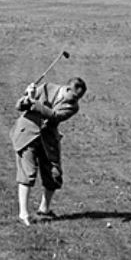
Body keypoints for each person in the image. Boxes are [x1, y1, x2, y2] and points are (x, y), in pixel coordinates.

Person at [11, 76, 86, 226]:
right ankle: (23, 213)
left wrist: (34, 102)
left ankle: (44, 209)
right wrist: (27, 96)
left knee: (54, 174)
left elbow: (54, 116)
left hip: (47, 139)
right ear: (67, 89)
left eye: (78, 98)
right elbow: (19, 106)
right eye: (74, 96)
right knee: (28, 173)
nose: (75, 100)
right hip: (27, 134)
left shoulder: (73, 107)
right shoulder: (46, 88)